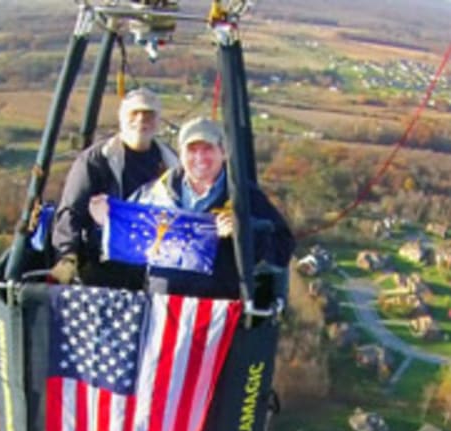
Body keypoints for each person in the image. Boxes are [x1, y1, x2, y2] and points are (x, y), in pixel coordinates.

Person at [91, 116, 295, 299]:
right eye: (192, 150)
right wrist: (104, 222)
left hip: (217, 315)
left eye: (207, 149)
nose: (200, 158)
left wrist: (243, 231)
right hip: (161, 311)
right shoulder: (155, 194)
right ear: (180, 154)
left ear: (223, 152)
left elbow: (282, 250)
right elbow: (122, 241)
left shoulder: (246, 197)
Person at [50, 87, 179, 287]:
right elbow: (71, 211)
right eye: (134, 113)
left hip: (154, 263)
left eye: (148, 114)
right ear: (121, 118)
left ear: (158, 120)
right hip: (105, 264)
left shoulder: (171, 162)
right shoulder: (96, 160)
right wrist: (67, 256)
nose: (141, 120)